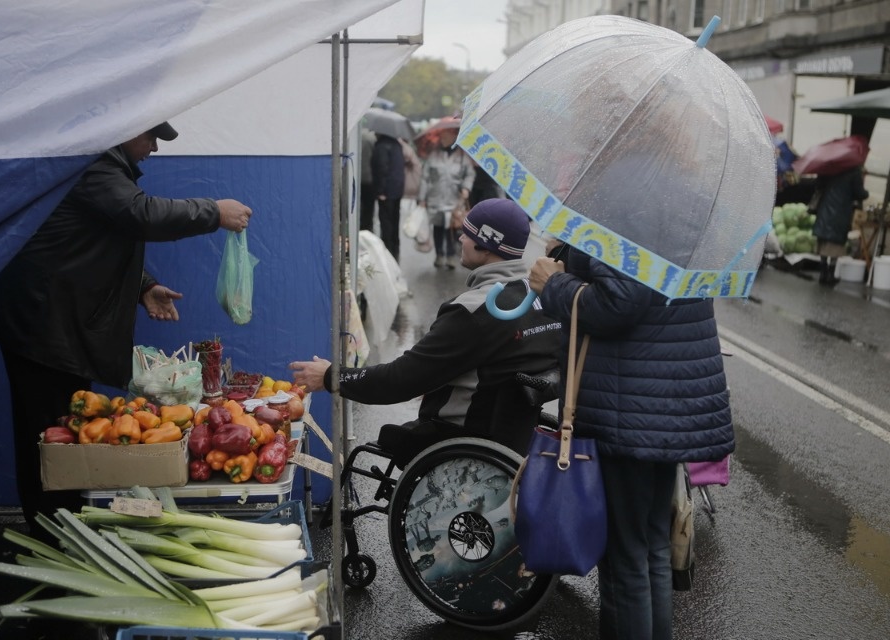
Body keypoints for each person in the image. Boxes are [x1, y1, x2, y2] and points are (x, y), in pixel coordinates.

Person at [0, 122, 253, 538]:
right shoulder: (94, 164)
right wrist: (214, 212)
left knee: (62, 432)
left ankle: (64, 526)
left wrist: (144, 286)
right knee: (50, 439)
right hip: (42, 327)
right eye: (150, 137)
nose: (153, 148)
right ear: (125, 129)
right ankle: (53, 534)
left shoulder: (101, 168)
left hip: (54, 323)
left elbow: (92, 240)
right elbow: (140, 215)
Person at [529, 240, 734, 640]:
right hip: (661, 399)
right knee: (651, 548)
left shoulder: (626, 210)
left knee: (626, 561)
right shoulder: (679, 206)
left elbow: (621, 300)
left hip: (630, 405)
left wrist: (554, 285)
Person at [290, 199, 562, 460]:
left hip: (461, 438)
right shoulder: (546, 298)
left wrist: (331, 377)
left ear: (485, 244)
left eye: (466, 234)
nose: (459, 239)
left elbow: (399, 380)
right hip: (515, 437)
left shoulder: (474, 310)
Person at [417, 124, 475, 270]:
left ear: (453, 137)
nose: (442, 139)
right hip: (435, 198)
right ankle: (439, 254)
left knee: (452, 228)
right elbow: (425, 177)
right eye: (441, 136)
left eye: (445, 136)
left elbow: (470, 174)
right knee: (437, 228)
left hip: (454, 199)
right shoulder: (433, 154)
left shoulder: (462, 156)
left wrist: (466, 188)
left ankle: (450, 256)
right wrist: (422, 198)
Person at [812, 165, 869, 285]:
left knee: (824, 243)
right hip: (841, 211)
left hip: (825, 208)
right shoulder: (853, 171)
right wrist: (865, 191)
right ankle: (830, 274)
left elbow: (818, 184)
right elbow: (860, 193)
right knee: (836, 245)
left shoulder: (830, 166)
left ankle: (823, 273)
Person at [370, 133, 406, 262]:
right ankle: (395, 249)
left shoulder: (381, 146)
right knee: (395, 219)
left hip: (386, 191)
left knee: (385, 221)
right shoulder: (397, 145)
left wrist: (380, 190)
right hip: (397, 189)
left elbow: (381, 168)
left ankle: (387, 250)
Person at [359, 128, 378, 232]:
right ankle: (367, 229)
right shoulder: (372, 139)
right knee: (369, 208)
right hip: (370, 178)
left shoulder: (353, 137)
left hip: (356, 177)